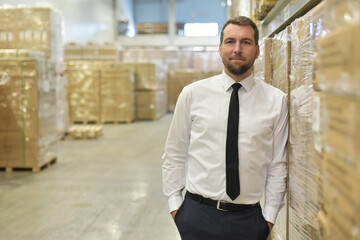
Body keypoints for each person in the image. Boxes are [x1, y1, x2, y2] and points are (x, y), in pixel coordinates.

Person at [162, 16, 288, 240]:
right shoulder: (192, 94)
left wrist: (268, 220)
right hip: (196, 215)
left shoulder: (276, 101)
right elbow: (174, 154)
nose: (237, 49)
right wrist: (177, 209)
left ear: (257, 50)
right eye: (230, 42)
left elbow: (277, 165)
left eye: (246, 42)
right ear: (220, 49)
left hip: (249, 221)